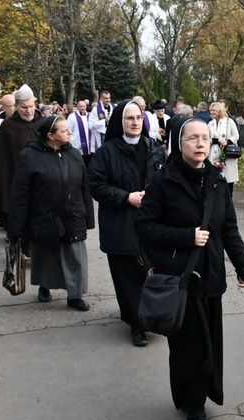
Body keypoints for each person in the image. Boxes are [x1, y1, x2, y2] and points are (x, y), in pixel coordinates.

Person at [134, 117, 244, 420]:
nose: (200, 144)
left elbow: (228, 228)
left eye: (205, 138)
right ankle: (194, 409)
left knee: (209, 345)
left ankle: (199, 396)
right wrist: (185, 236)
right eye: (192, 139)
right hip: (181, 279)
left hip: (211, 279)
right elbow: (143, 225)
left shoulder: (216, 180)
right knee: (191, 349)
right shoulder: (163, 181)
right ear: (178, 143)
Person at [88, 100, 162, 347]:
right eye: (129, 118)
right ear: (120, 122)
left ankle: (152, 317)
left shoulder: (153, 147)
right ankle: (136, 324)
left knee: (150, 272)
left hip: (150, 222)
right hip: (120, 222)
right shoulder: (107, 152)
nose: (135, 122)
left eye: (138, 118)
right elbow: (96, 186)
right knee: (127, 276)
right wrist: (126, 197)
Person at [7, 115, 94, 311]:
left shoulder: (74, 153)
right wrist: (16, 226)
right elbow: (20, 192)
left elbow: (84, 187)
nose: (70, 133)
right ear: (50, 135)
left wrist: (88, 216)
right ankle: (44, 286)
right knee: (46, 256)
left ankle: (75, 295)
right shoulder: (29, 155)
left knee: (75, 258)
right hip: (43, 217)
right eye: (64, 131)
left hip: (73, 215)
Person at [0, 84, 43, 229]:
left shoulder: (43, 122)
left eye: (31, 106)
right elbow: (3, 159)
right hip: (17, 176)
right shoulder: (8, 126)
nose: (29, 110)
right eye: (24, 107)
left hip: (42, 177)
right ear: (16, 106)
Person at [208, 101, 240, 194]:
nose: (212, 112)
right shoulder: (210, 123)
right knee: (214, 177)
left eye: (214, 110)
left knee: (228, 178)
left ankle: (228, 198)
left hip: (226, 153)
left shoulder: (228, 122)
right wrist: (217, 141)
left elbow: (236, 136)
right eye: (211, 110)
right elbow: (207, 137)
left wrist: (227, 141)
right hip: (213, 152)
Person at [67, 100, 94, 167]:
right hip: (77, 144)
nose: (83, 108)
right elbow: (68, 129)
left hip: (90, 145)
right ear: (77, 107)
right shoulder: (72, 116)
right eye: (81, 106)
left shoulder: (91, 116)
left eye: (84, 106)